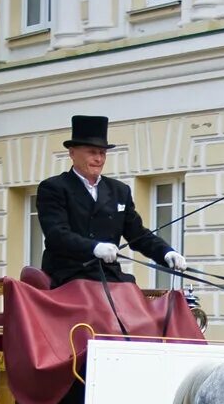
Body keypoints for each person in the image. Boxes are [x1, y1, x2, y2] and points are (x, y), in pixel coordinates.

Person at [35, 115, 187, 288]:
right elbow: (57, 234)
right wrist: (94, 248)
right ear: (72, 153)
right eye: (92, 152)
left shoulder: (119, 190)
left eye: (102, 153)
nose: (98, 159)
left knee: (135, 304)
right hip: (69, 275)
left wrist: (166, 252)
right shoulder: (54, 188)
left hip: (110, 275)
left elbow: (137, 234)